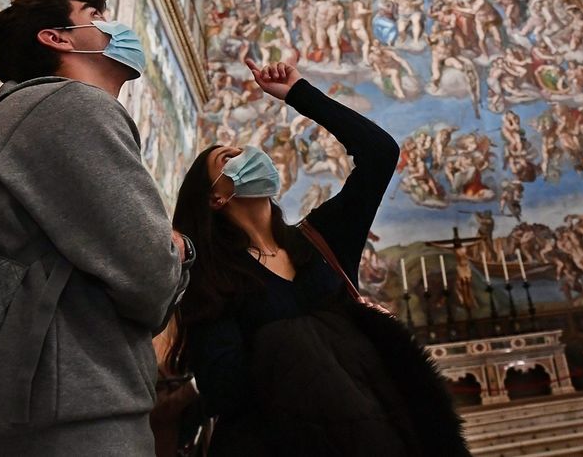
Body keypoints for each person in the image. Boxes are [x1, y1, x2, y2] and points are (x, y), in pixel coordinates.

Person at [169, 58, 470, 456]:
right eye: (229, 158)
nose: (249, 155)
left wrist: (299, 94)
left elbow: (379, 154)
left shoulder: (321, 241)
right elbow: (225, 389)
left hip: (377, 435)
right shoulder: (211, 278)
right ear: (216, 197)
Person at [0, 0, 194, 455]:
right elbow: (150, 277)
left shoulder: (33, 112)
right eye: (95, 13)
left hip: (47, 402)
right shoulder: (72, 108)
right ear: (57, 38)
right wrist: (182, 250)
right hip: (72, 411)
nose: (113, 25)